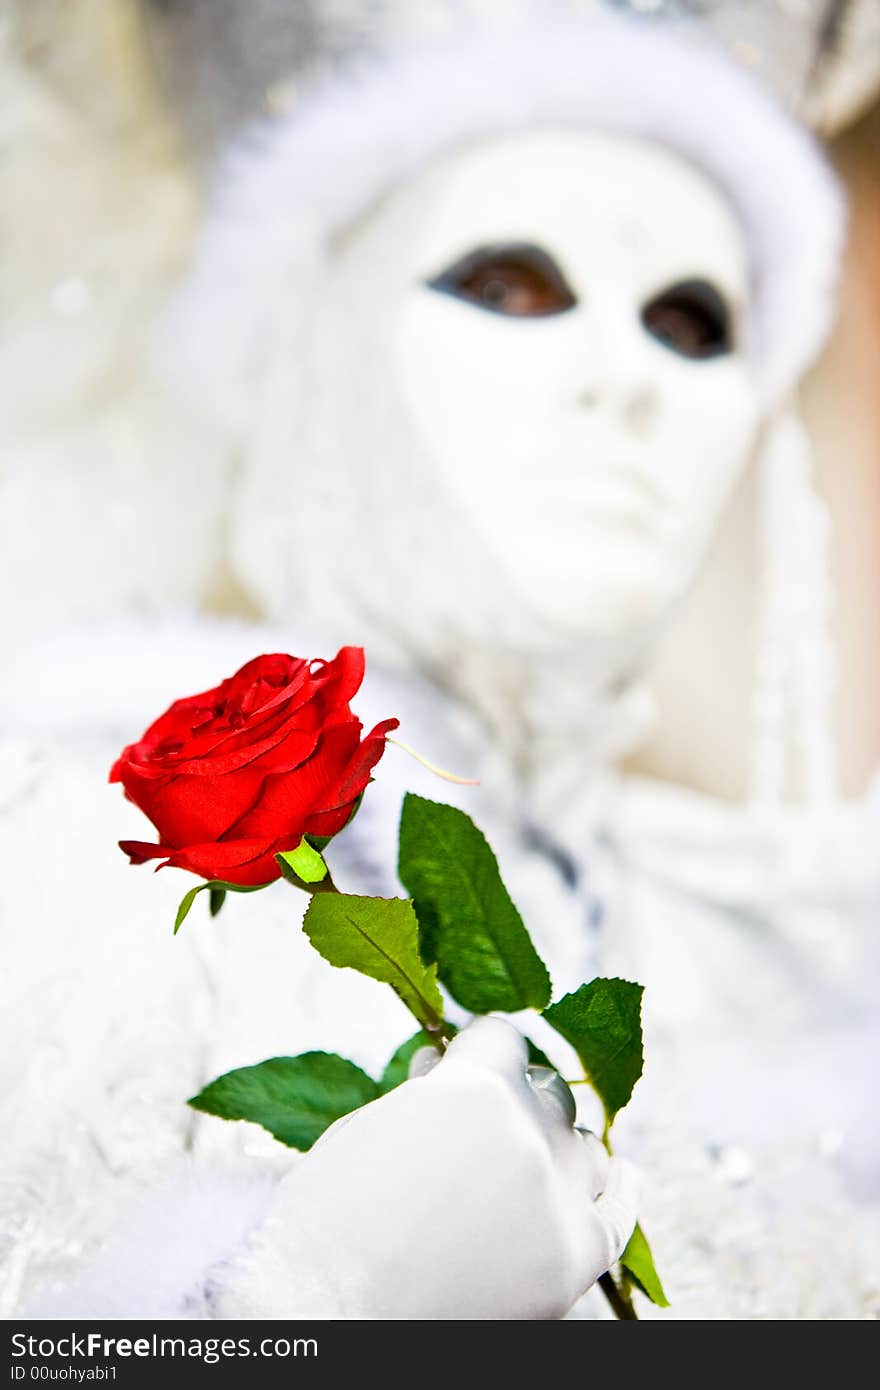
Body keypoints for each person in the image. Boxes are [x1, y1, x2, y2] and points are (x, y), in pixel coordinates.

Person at [2, 11, 875, 1319]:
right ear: (328, 346)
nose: (624, 378)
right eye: (511, 284)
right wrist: (303, 1298)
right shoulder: (82, 852)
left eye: (690, 323)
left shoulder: (772, 948)